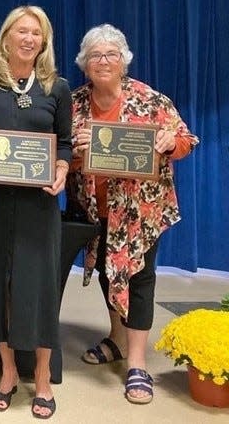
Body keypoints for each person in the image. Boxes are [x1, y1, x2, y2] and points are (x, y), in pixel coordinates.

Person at [66, 24, 199, 404]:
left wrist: (171, 143)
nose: (103, 61)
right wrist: (75, 152)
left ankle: (137, 363)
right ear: (85, 65)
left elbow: (187, 139)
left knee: (138, 277)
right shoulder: (74, 103)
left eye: (110, 54)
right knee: (109, 272)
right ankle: (117, 338)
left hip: (140, 211)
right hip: (95, 206)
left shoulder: (150, 100)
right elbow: (61, 159)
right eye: (95, 56)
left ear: (123, 61)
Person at [0, 5, 71, 419]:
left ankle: (41, 374)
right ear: (6, 38)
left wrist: (60, 169)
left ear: (44, 42)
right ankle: (7, 371)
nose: (28, 38)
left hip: (38, 204)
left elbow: (65, 144)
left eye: (36, 33)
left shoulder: (57, 88)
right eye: (21, 31)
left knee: (37, 287)